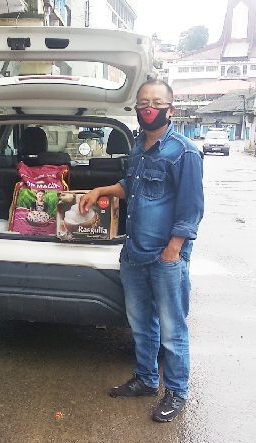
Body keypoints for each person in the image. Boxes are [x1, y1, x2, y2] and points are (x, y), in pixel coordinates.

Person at [80, 79, 204, 423]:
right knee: (141, 323)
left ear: (170, 109)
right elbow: (130, 186)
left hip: (166, 257)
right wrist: (100, 190)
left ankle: (176, 392)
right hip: (133, 253)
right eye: (143, 102)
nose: (149, 107)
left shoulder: (184, 151)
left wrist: (174, 249)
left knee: (172, 328)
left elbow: (191, 209)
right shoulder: (137, 147)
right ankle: (147, 380)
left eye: (156, 102)